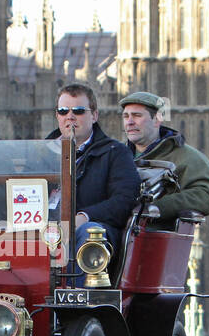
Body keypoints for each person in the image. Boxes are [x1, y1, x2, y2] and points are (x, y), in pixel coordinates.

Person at [47, 82, 141, 285]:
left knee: (89, 232)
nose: (70, 116)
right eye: (63, 111)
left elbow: (124, 201)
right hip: (48, 230)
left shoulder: (115, 153)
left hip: (93, 236)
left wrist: (84, 216)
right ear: (57, 116)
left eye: (79, 111)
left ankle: (77, 306)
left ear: (95, 115)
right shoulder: (40, 153)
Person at [119, 90, 209, 223]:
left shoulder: (187, 157)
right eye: (126, 116)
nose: (129, 122)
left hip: (153, 235)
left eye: (137, 115)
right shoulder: (114, 156)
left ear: (157, 119)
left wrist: (153, 208)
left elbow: (205, 197)